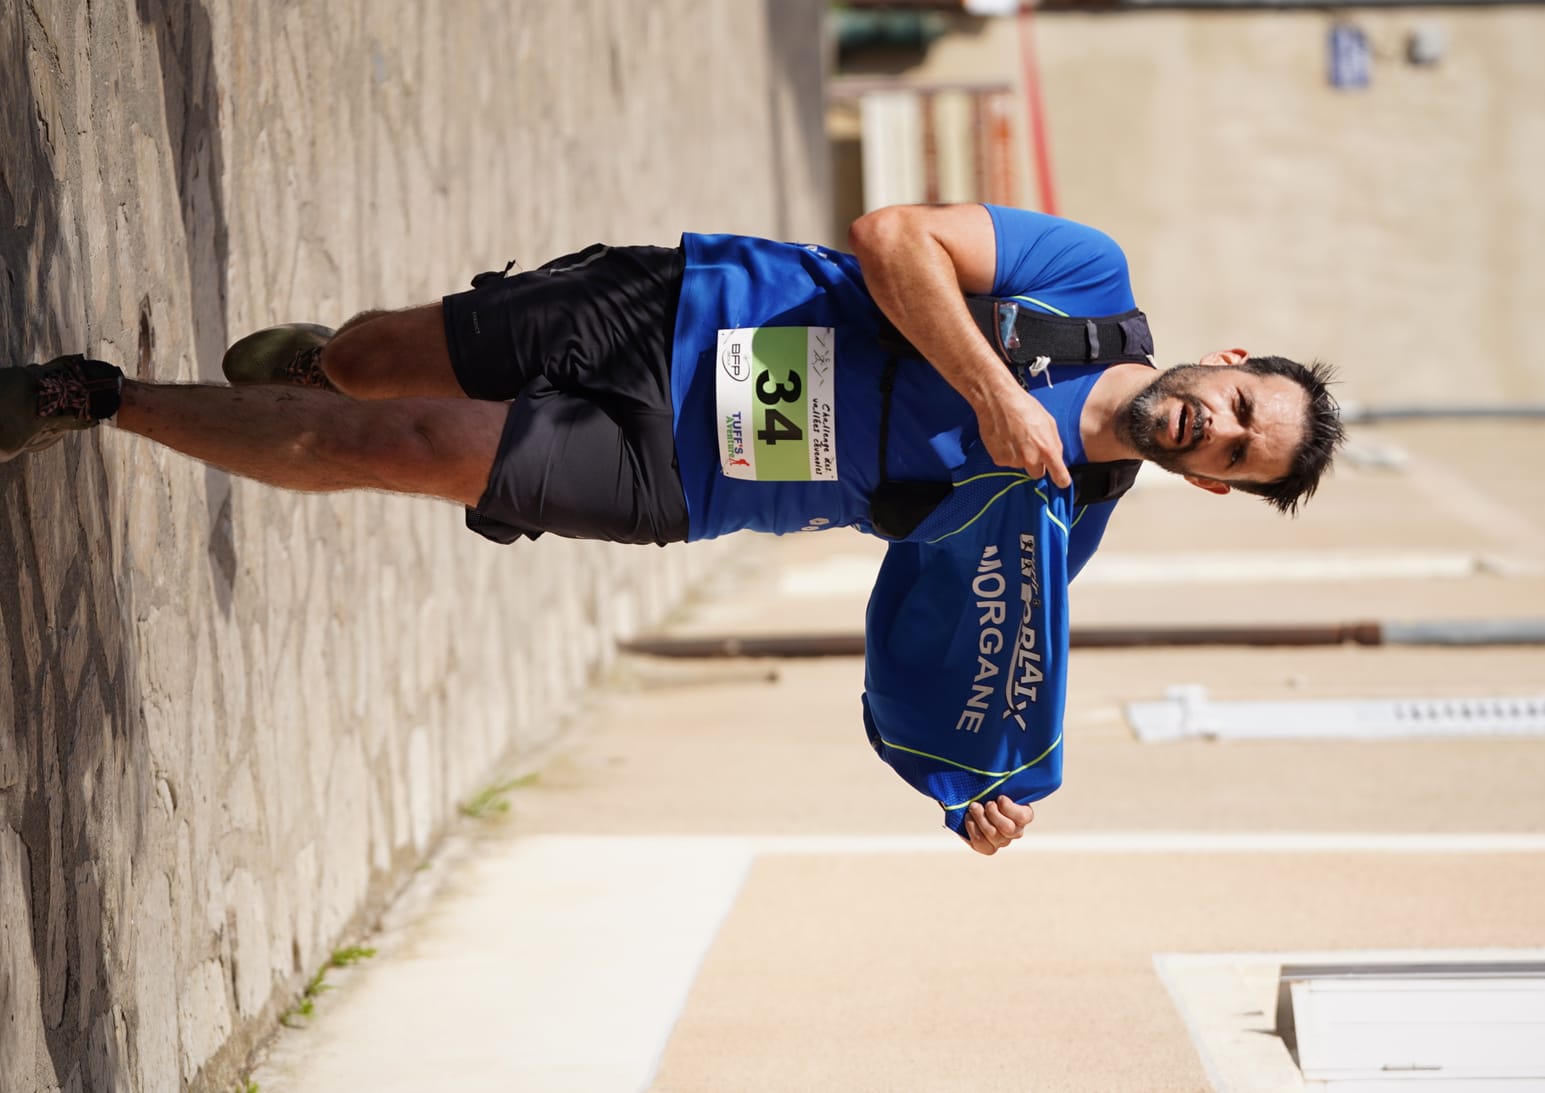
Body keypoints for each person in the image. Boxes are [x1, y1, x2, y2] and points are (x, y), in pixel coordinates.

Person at [1, 203, 1341, 852]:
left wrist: (967, 792)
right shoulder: (1084, 288)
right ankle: (332, 356)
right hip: (692, 311)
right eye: (1235, 403)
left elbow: (975, 667)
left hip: (688, 477)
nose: (1210, 428)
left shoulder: (1059, 532)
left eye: (1233, 450)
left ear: (1217, 483)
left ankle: (101, 399)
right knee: (367, 365)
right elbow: (890, 238)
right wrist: (995, 390)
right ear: (1224, 359)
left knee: (390, 448)